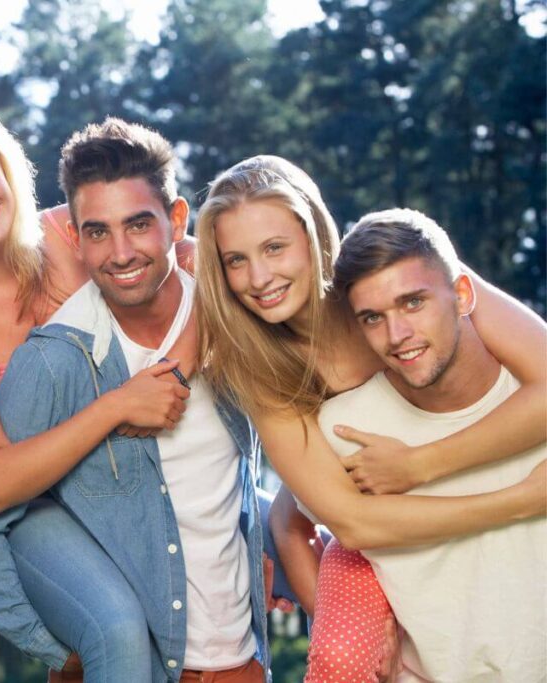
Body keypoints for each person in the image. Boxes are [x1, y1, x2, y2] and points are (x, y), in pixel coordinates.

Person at [0, 102, 215, 681]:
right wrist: (119, 405)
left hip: (128, 476)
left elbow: (201, 265)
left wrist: (173, 373)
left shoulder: (75, 232)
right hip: (34, 509)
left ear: (5, 169)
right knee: (117, 627)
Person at [0, 117, 275, 683]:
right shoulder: (56, 360)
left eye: (139, 225)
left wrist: (268, 536)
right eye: (98, 232)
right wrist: (55, 647)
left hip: (241, 660)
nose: (120, 253)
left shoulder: (235, 317)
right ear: (74, 235)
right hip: (143, 666)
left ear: (175, 221)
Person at [193, 155, 546, 681]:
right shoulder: (260, 367)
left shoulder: (388, 277)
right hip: (351, 512)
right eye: (236, 260)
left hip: (390, 480)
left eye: (274, 248)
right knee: (343, 654)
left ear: (312, 234)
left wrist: (420, 465)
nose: (259, 278)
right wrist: (518, 501)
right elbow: (349, 520)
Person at [314, 207, 546, 680]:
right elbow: (293, 524)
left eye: (413, 302)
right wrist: (353, 641)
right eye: (373, 317)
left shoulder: (530, 398)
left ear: (462, 294)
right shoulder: (344, 428)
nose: (397, 335)